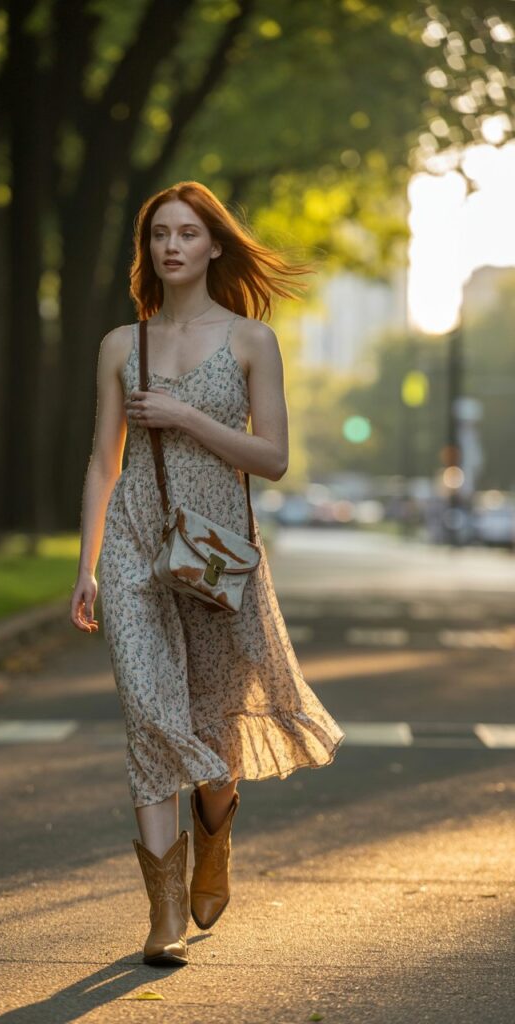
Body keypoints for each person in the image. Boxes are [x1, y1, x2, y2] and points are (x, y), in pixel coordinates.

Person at [70, 180, 345, 967]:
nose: (172, 247)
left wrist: (190, 417)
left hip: (217, 553)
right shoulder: (122, 345)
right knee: (150, 712)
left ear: (214, 245)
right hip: (134, 547)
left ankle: (214, 836)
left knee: (217, 725)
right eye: (160, 235)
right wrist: (86, 564)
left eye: (188, 233)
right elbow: (101, 461)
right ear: (147, 250)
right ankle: (164, 915)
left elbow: (277, 459)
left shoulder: (252, 341)